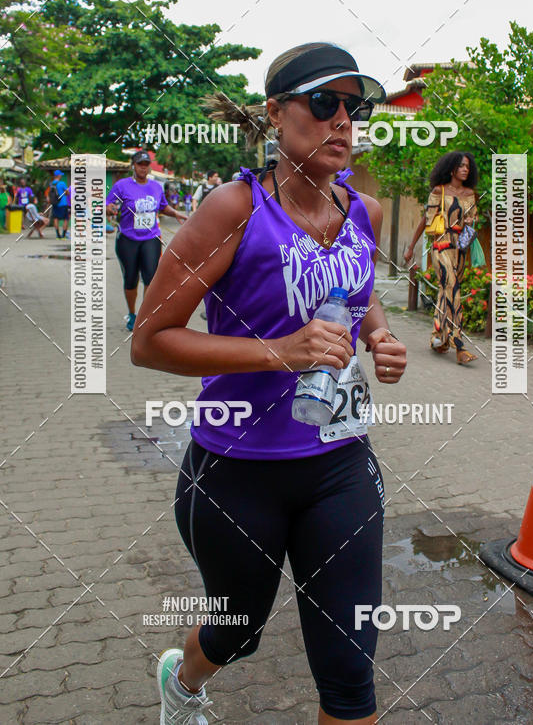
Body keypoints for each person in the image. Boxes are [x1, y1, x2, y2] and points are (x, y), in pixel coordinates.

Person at [131, 42, 408, 725]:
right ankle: (184, 681)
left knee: (350, 672)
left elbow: (358, 289)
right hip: (236, 471)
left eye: (355, 107)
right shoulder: (237, 209)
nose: (343, 120)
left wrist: (377, 335)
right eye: (323, 103)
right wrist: (278, 352)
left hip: (341, 465)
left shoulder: (364, 212)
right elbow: (149, 340)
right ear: (276, 115)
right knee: (239, 629)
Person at [404, 151, 479, 365]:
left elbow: (472, 222)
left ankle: (439, 338)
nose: (466, 169)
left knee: (446, 291)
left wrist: (470, 220)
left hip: (461, 249)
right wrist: (411, 247)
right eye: (462, 166)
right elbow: (425, 219)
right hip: (441, 247)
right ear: (452, 168)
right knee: (452, 289)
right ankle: (459, 345)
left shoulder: (470, 193)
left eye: (468, 166)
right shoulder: (440, 190)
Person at [106, 150, 188, 331]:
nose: (143, 168)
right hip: (128, 239)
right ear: (133, 166)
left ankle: (145, 315)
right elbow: (107, 205)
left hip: (151, 238)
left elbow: (163, 207)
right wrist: (110, 210)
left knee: (150, 277)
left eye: (146, 164)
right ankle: (132, 313)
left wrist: (176, 214)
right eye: (139, 164)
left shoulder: (156, 187)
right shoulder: (122, 186)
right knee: (130, 278)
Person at [49, 169, 69, 239]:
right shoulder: (62, 183)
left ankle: (58, 235)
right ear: (59, 175)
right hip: (63, 203)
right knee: (66, 219)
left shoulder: (51, 184)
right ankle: (63, 235)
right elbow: (67, 192)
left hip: (55, 203)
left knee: (55, 219)